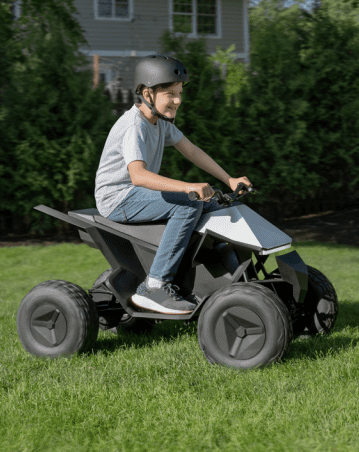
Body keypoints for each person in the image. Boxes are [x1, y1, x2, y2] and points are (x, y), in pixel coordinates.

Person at [95, 55, 251, 313]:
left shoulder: (160, 122)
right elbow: (138, 175)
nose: (178, 100)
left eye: (179, 93)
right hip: (117, 199)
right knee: (187, 206)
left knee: (213, 203)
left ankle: (235, 277)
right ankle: (154, 287)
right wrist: (187, 187)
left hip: (135, 194)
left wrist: (229, 179)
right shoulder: (135, 125)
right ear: (147, 93)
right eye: (170, 94)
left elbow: (192, 151)